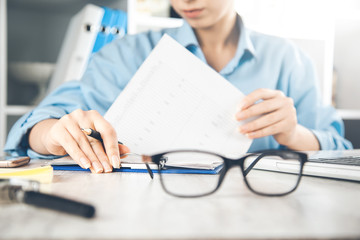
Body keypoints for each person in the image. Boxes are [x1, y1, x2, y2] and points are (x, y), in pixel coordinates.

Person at [5, 0, 352, 173]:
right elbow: (44, 122)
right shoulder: (125, 55)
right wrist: (51, 134)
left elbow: (339, 147)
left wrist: (293, 133)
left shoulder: (288, 59)